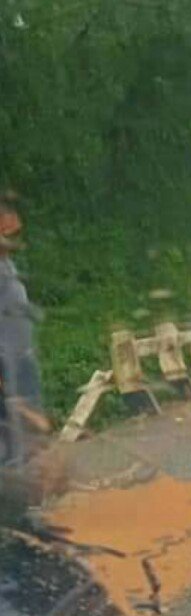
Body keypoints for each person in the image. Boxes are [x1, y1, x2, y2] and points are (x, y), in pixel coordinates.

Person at [0, 200, 49, 471]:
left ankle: (27, 504)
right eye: (9, 233)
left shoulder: (8, 267)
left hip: (22, 360)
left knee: (28, 437)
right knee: (8, 439)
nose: (15, 240)